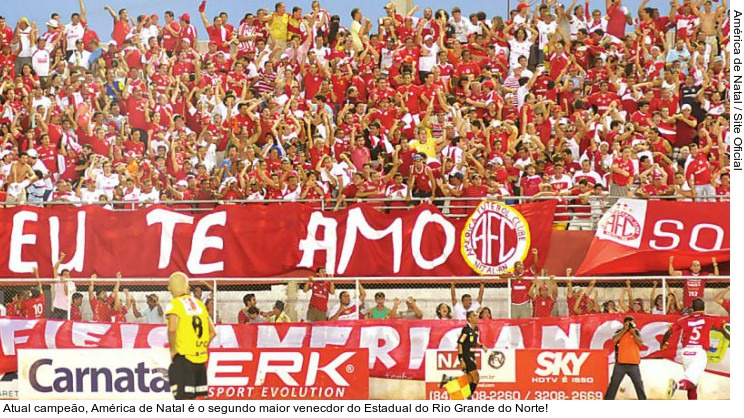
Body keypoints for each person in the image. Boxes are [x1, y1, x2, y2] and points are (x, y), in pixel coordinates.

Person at [662, 298, 729, 400]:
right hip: (699, 353)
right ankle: (677, 385)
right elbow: (723, 330)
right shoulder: (710, 318)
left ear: (692, 308)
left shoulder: (683, 320)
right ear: (704, 307)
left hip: (686, 353)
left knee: (692, 384)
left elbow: (669, 332)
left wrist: (663, 344)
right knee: (691, 380)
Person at [165, 271, 216, 400]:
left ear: (171, 288)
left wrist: (173, 350)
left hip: (184, 357)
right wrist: (201, 346)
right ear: (186, 286)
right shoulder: (199, 304)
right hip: (200, 358)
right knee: (199, 398)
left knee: (183, 399)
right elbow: (213, 332)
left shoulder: (174, 304)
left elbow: (172, 329)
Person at [604, 315, 647, 400]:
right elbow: (614, 340)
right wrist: (624, 330)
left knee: (639, 385)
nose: (630, 325)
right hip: (620, 364)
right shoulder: (619, 331)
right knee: (614, 384)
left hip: (633, 364)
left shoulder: (637, 332)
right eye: (628, 323)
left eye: (631, 323)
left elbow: (640, 344)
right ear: (624, 324)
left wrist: (633, 333)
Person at [458, 310, 484, 400]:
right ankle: (468, 397)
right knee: (476, 378)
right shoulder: (466, 330)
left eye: (477, 315)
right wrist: (461, 359)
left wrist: (481, 345)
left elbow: (474, 341)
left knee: (470, 379)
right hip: (466, 356)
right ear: (469, 319)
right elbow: (460, 343)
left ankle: (461, 396)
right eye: (474, 316)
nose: (476, 317)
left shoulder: (476, 329)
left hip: (472, 355)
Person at [50, 252, 76, 319]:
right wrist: (61, 259)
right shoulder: (58, 280)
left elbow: (66, 293)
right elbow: (55, 269)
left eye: (68, 275)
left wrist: (65, 283)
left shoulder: (72, 284)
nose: (67, 276)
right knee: (54, 325)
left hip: (66, 309)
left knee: (64, 326)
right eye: (65, 275)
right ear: (61, 275)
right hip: (57, 307)